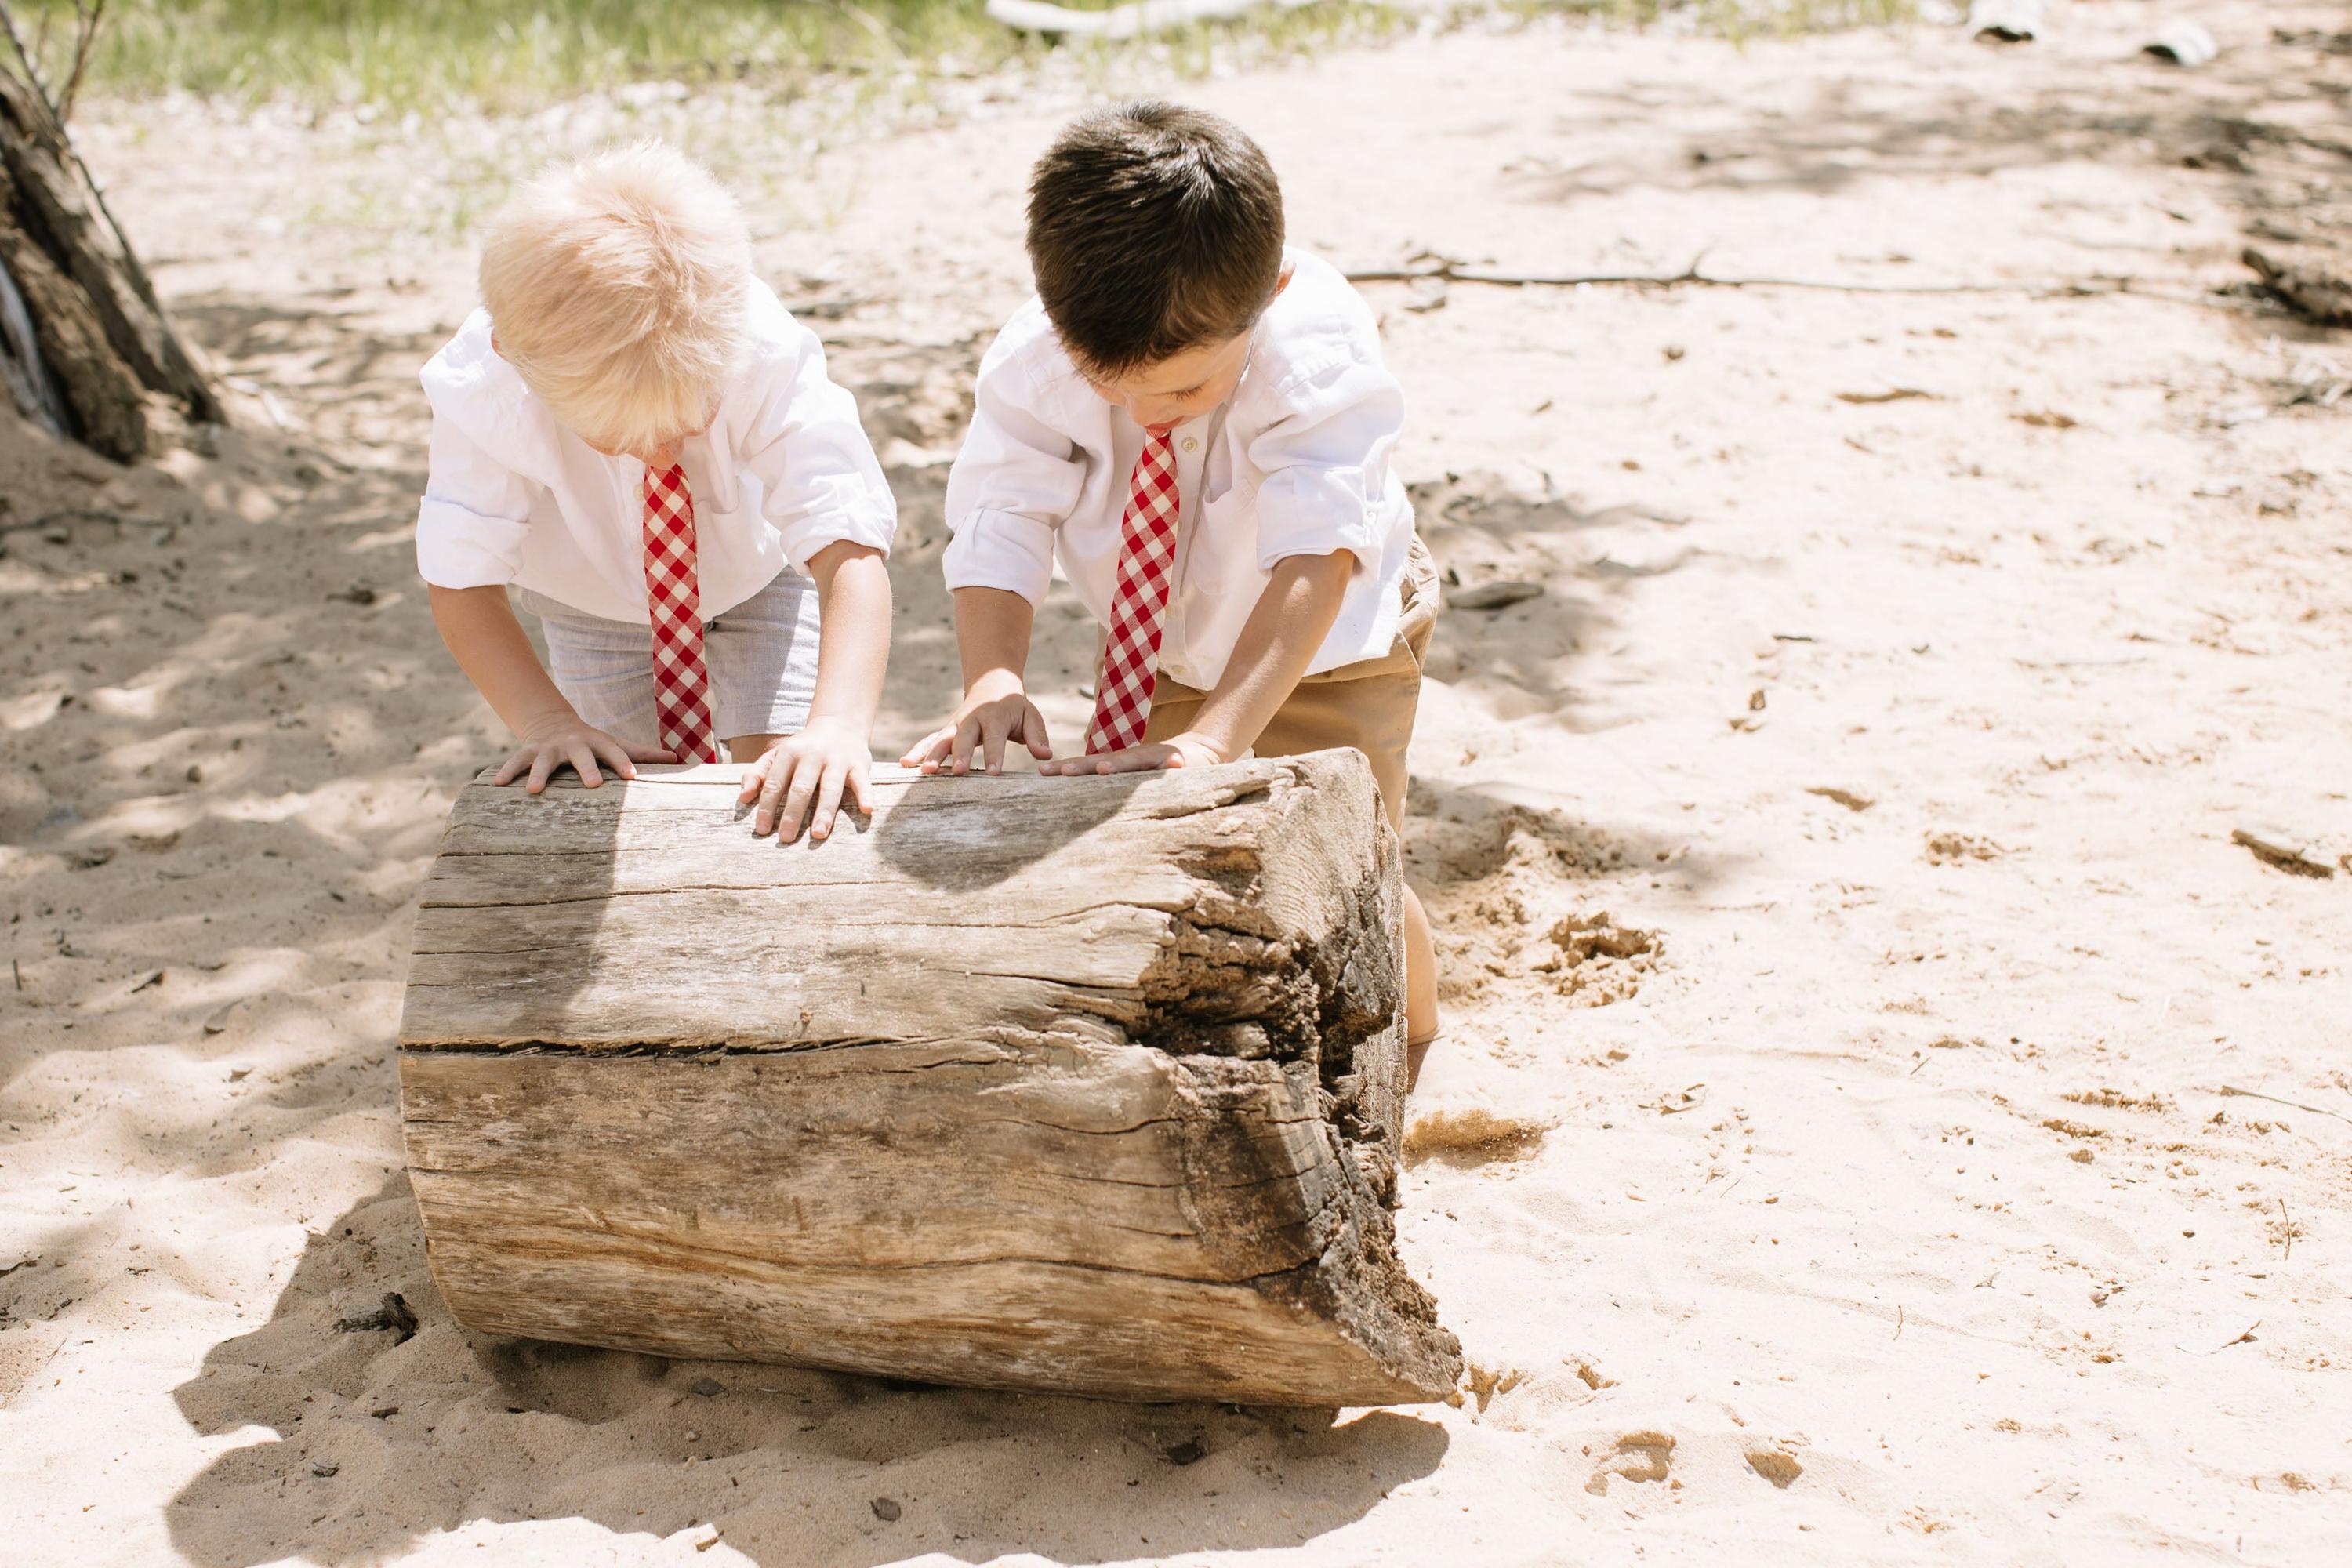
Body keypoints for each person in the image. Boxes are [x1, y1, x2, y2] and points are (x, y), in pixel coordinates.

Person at [905, 102, 1443, 1077]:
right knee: (1179, 841)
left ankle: (1413, 1041)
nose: (1143, 411)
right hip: (1160, 636)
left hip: (1326, 639)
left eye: (1183, 391)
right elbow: (1003, 513)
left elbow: (1318, 557)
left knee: (1348, 854)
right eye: (1106, 385)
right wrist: (992, 677)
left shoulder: (1314, 351)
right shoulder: (1038, 353)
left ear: (1269, 294)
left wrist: (1215, 737)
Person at [416, 141, 894, 844]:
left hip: (761, 575)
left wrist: (840, 724)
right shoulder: (485, 391)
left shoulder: (755, 343)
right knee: (624, 789)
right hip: (594, 602)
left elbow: (846, 535)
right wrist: (547, 722)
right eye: (623, 438)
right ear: (517, 366)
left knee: (786, 785)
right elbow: (461, 580)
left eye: (686, 426)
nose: (663, 456)